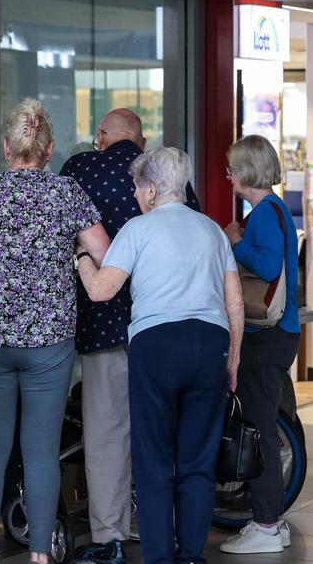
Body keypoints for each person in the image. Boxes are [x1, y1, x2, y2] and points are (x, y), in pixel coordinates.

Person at [0, 99, 109, 564]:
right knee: (39, 452)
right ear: (50, 147)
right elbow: (105, 253)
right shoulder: (66, 192)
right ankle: (40, 553)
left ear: (5, 146)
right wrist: (70, 255)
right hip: (48, 342)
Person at [74, 146, 243, 564]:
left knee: (153, 460)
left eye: (135, 186)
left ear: (151, 189)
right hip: (210, 343)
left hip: (157, 345)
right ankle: (191, 556)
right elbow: (234, 302)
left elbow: (101, 290)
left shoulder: (138, 229)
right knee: (198, 461)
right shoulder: (211, 230)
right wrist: (234, 358)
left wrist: (80, 257)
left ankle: (160, 558)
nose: (133, 194)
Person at [57, 108, 199, 564]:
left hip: (102, 323)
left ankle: (110, 536)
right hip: (160, 322)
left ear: (101, 136)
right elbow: (189, 229)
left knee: (106, 433)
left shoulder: (79, 167)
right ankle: (167, 531)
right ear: (141, 141)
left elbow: (62, 235)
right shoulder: (159, 172)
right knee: (163, 433)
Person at [219, 135, 300, 555]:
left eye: (233, 167)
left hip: (266, 336)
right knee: (262, 422)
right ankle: (271, 522)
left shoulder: (265, 212)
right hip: (276, 335)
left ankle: (266, 523)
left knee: (259, 427)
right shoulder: (274, 210)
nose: (228, 174)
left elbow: (268, 265)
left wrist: (235, 241)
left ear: (248, 169)